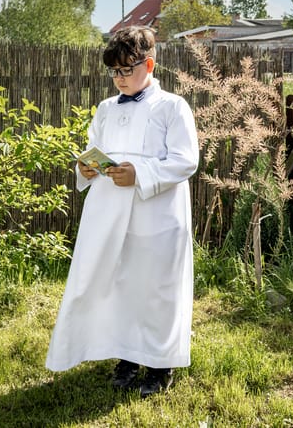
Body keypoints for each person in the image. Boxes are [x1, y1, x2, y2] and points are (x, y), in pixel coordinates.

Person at [45, 25, 199, 398]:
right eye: (113, 72)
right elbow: (94, 148)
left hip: (157, 214)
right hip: (111, 214)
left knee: (156, 288)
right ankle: (129, 354)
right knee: (122, 284)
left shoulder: (172, 107)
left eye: (126, 70)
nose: (119, 79)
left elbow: (186, 160)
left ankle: (160, 363)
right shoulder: (105, 109)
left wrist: (141, 173)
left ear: (148, 64)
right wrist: (84, 168)